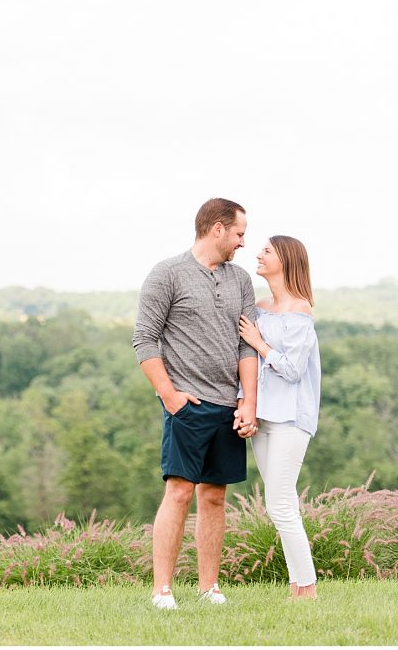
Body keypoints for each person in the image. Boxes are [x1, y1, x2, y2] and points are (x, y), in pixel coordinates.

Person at [132, 198, 259, 610]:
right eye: (239, 233)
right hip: (187, 404)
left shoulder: (239, 280)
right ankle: (162, 590)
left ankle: (209, 587)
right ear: (218, 229)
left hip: (229, 406)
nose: (243, 242)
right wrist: (170, 397)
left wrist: (248, 402)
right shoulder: (167, 274)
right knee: (180, 492)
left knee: (215, 496)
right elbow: (144, 339)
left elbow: (246, 345)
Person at [237, 235, 321, 600]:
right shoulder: (259, 307)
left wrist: (259, 343)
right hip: (264, 416)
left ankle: (308, 588)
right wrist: (245, 405)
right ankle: (296, 586)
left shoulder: (300, 310)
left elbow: (292, 369)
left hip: (291, 418)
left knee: (280, 503)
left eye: (267, 250)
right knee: (281, 503)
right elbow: (247, 366)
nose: (258, 253)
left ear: (285, 260)